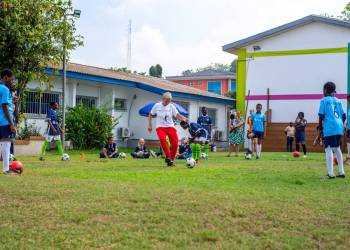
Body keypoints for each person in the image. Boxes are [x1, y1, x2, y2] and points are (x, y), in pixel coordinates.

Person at [148, 92, 188, 167]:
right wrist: (150, 125)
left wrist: (183, 118)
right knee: (162, 140)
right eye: (167, 100)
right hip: (160, 127)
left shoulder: (171, 106)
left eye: (169, 100)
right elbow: (150, 114)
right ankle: (168, 156)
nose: (168, 102)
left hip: (170, 126)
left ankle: (171, 161)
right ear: (163, 99)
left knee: (175, 144)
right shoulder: (157, 105)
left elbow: (177, 115)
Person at [318, 81, 345, 179]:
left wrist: (320, 127)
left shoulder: (324, 100)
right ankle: (341, 172)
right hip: (339, 127)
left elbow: (321, 115)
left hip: (330, 127)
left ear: (325, 90)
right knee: (337, 149)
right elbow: (343, 115)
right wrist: (341, 125)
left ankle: (330, 173)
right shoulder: (338, 100)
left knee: (328, 149)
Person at [0, 69, 17, 175]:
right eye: (11, 79)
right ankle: (6, 169)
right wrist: (11, 124)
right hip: (4, 120)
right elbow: (5, 106)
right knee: (6, 142)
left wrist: (12, 101)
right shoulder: (5, 89)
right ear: (6, 77)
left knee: (5, 142)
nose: (12, 81)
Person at [345, 95, 350, 165]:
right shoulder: (349, 109)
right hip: (349, 128)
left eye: (348, 99)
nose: (348, 101)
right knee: (348, 142)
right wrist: (345, 124)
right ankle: (348, 157)